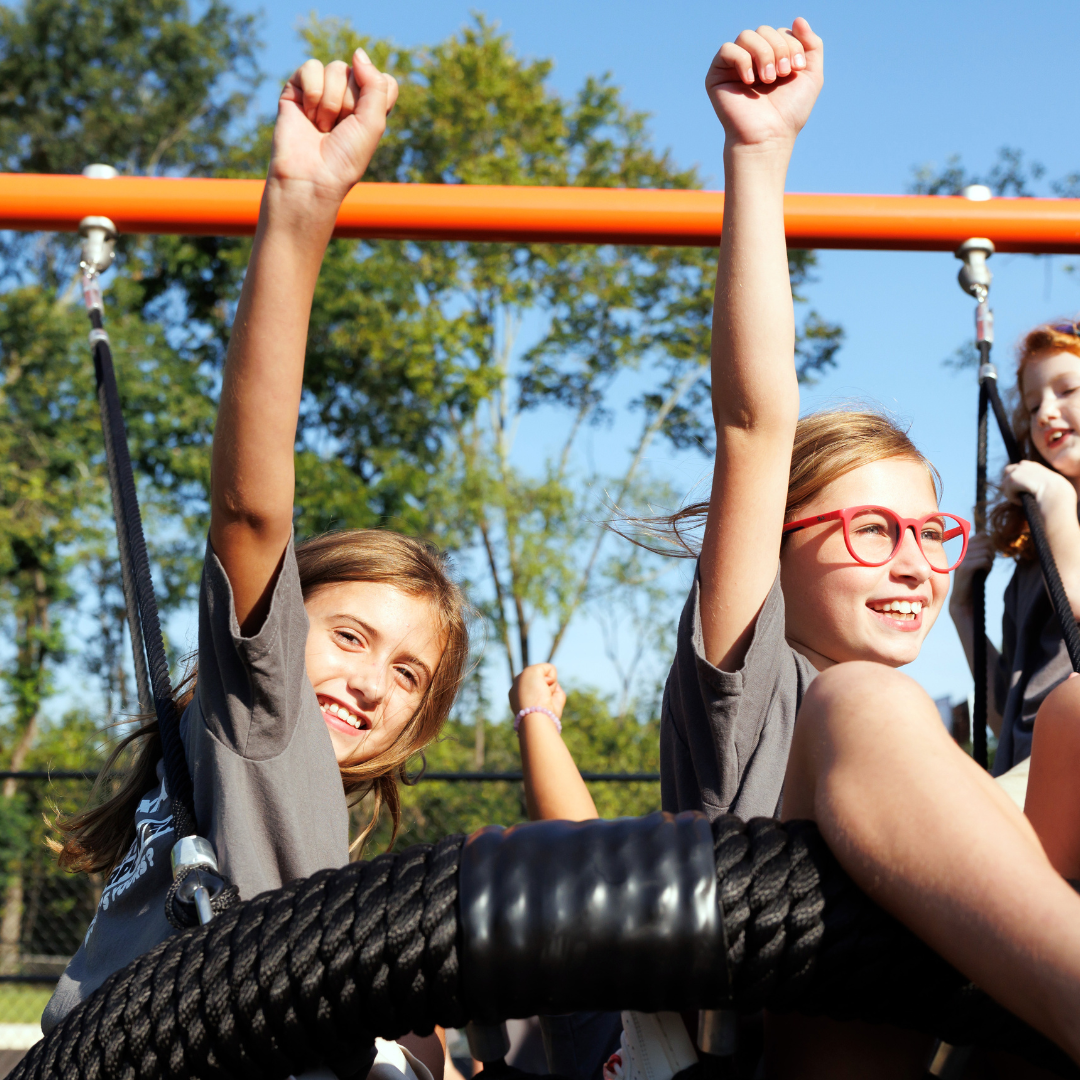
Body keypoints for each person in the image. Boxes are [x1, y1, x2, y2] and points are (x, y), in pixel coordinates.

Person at [652, 17, 1080, 1078]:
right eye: (871, 530)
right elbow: (754, 421)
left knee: (1075, 713)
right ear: (776, 549)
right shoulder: (749, 689)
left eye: (931, 533)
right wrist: (758, 159)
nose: (917, 564)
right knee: (864, 705)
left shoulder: (926, 761)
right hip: (783, 1056)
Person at [43, 49, 466, 1079]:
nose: (371, 681)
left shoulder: (269, 795)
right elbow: (249, 506)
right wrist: (300, 208)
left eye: (408, 674)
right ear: (274, 637)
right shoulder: (255, 729)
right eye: (351, 635)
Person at [950, 321, 1080, 786]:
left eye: (1067, 390)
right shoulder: (1032, 555)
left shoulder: (1059, 516)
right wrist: (963, 611)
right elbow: (1006, 721)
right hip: (1032, 766)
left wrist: (1060, 503)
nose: (1046, 412)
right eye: (1033, 404)